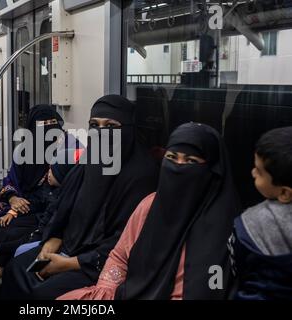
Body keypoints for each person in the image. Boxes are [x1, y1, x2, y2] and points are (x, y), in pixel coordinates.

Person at [0, 95, 159, 300]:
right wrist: (52, 240)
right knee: (16, 270)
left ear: (128, 129)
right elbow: (64, 208)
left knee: (43, 293)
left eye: (111, 126)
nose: (101, 133)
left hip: (100, 263)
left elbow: (126, 242)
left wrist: (71, 263)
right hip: (68, 246)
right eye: (94, 125)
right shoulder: (88, 162)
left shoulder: (141, 176)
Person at [58, 122, 240, 300]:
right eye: (172, 158)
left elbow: (212, 288)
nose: (178, 166)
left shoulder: (223, 226)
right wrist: (106, 291)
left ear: (211, 170)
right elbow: (120, 256)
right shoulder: (151, 205)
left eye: (191, 161)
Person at [0, 104, 70, 291]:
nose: (50, 127)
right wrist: (12, 199)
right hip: (20, 199)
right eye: (44, 124)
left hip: (42, 209)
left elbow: (52, 195)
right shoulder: (25, 151)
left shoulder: (64, 150)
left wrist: (15, 209)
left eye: (53, 122)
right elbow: (11, 179)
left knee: (5, 228)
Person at [0, 148, 82, 286]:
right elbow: (35, 202)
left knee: (21, 240)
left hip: (46, 231)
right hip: (41, 224)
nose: (48, 173)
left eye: (53, 170)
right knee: (3, 226)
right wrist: (12, 212)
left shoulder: (65, 197)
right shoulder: (49, 189)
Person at [229, 127, 292, 300]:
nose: (253, 172)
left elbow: (236, 268)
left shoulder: (249, 224)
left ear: (285, 193)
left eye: (259, 171)